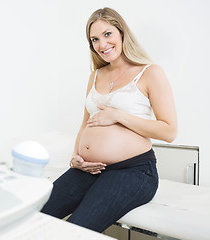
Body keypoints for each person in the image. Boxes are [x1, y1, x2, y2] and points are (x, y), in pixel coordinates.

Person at [40, 7, 177, 233]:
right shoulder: (95, 75)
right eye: (94, 39)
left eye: (107, 34)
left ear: (122, 33)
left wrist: (118, 115)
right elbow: (85, 123)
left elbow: (169, 131)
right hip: (89, 169)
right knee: (36, 213)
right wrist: (76, 157)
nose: (102, 44)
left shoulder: (151, 72)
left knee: (75, 228)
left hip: (133, 171)